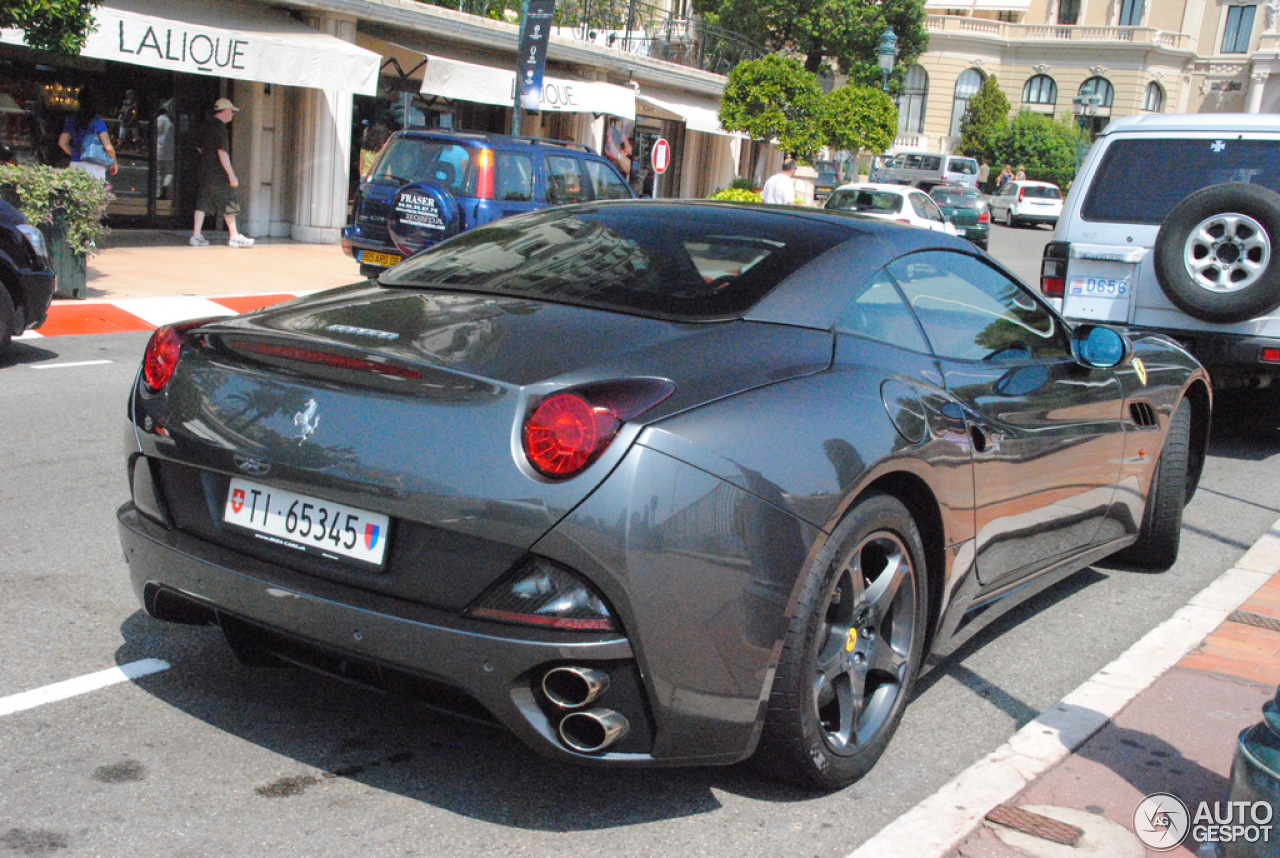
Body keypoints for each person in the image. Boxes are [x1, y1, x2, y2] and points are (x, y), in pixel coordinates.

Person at [191, 98, 253, 248]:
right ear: (225, 111)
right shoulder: (220, 129)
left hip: (205, 172)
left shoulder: (206, 125)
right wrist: (231, 175)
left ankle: (196, 235)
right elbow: (222, 152)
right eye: (232, 111)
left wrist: (207, 158)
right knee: (230, 201)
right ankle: (234, 236)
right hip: (219, 174)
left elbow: (198, 147)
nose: (233, 114)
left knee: (202, 203)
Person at [58, 89, 117, 181]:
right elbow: (108, 147)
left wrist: (74, 153)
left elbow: (62, 143)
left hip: (76, 163)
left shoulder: (71, 120)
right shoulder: (97, 122)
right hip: (96, 164)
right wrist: (113, 162)